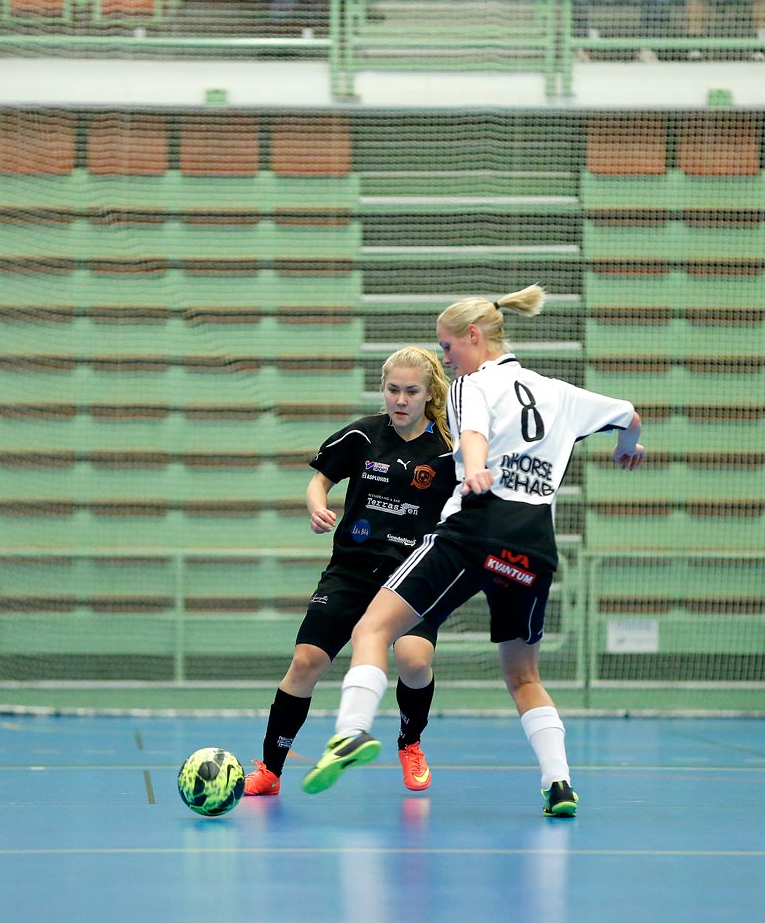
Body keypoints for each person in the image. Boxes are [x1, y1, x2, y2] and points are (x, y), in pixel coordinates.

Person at [299, 284, 644, 818]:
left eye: (447, 347)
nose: (446, 359)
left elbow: (475, 431)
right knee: (524, 677)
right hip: (533, 546)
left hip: (475, 528)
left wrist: (477, 465)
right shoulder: (560, 392)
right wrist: (627, 449)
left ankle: (350, 733)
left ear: (474, 337)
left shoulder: (471, 383)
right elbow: (628, 415)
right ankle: (559, 785)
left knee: (373, 628)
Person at [242, 347, 459, 797]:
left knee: (415, 661)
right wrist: (318, 507)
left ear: (429, 393)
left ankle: (410, 742)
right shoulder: (362, 436)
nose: (400, 399)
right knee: (306, 662)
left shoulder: (449, 450)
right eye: (392, 389)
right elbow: (319, 480)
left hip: (414, 576)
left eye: (411, 391)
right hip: (352, 570)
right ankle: (270, 768)